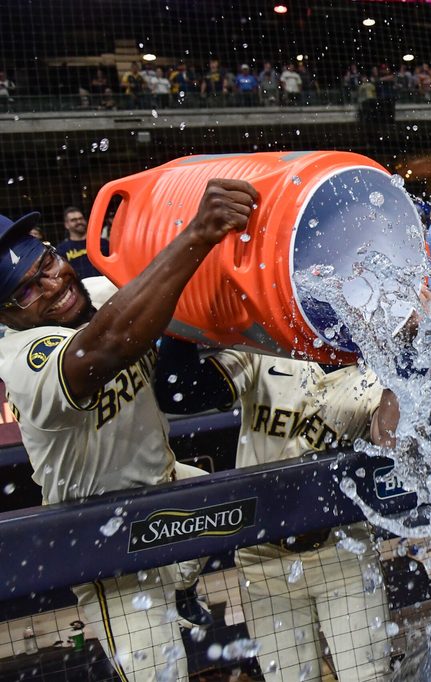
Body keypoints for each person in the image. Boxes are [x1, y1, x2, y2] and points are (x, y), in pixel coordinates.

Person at [0, 179, 257, 680]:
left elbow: (172, 283)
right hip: (105, 535)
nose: (52, 285)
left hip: (165, 494)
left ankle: (184, 585)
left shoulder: (98, 290)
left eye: (48, 263)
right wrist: (199, 230)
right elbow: (107, 344)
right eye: (28, 289)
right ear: (6, 312)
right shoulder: (20, 356)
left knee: (252, 501)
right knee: (159, 673)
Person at [154, 341, 397, 681]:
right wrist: (179, 321)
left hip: (341, 554)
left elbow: (389, 440)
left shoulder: (376, 370)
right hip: (262, 565)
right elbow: (180, 392)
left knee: (369, 677)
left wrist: (404, 355)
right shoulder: (267, 346)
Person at [55, 207, 109, 279]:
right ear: (66, 225)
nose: (79, 222)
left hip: (105, 284)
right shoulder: (61, 249)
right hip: (81, 288)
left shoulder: (102, 243)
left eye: (81, 218)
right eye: (73, 220)